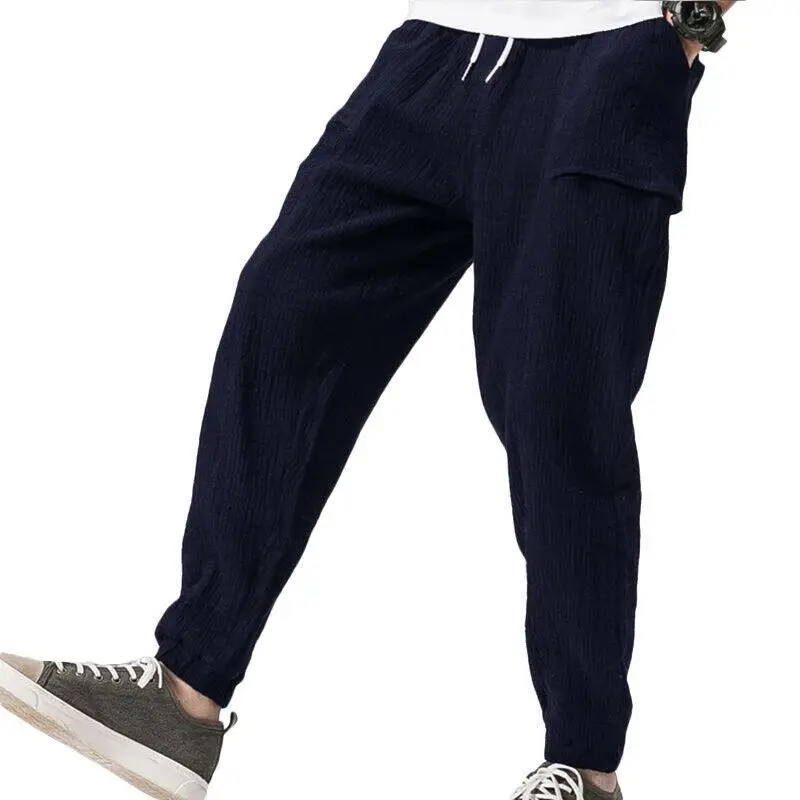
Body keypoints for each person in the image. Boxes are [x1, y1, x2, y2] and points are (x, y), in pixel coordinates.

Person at [0, 2, 738, 798]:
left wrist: (688, 23)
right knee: (285, 314)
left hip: (607, 57)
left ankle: (585, 765)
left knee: (555, 404)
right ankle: (183, 696)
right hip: (438, 49)